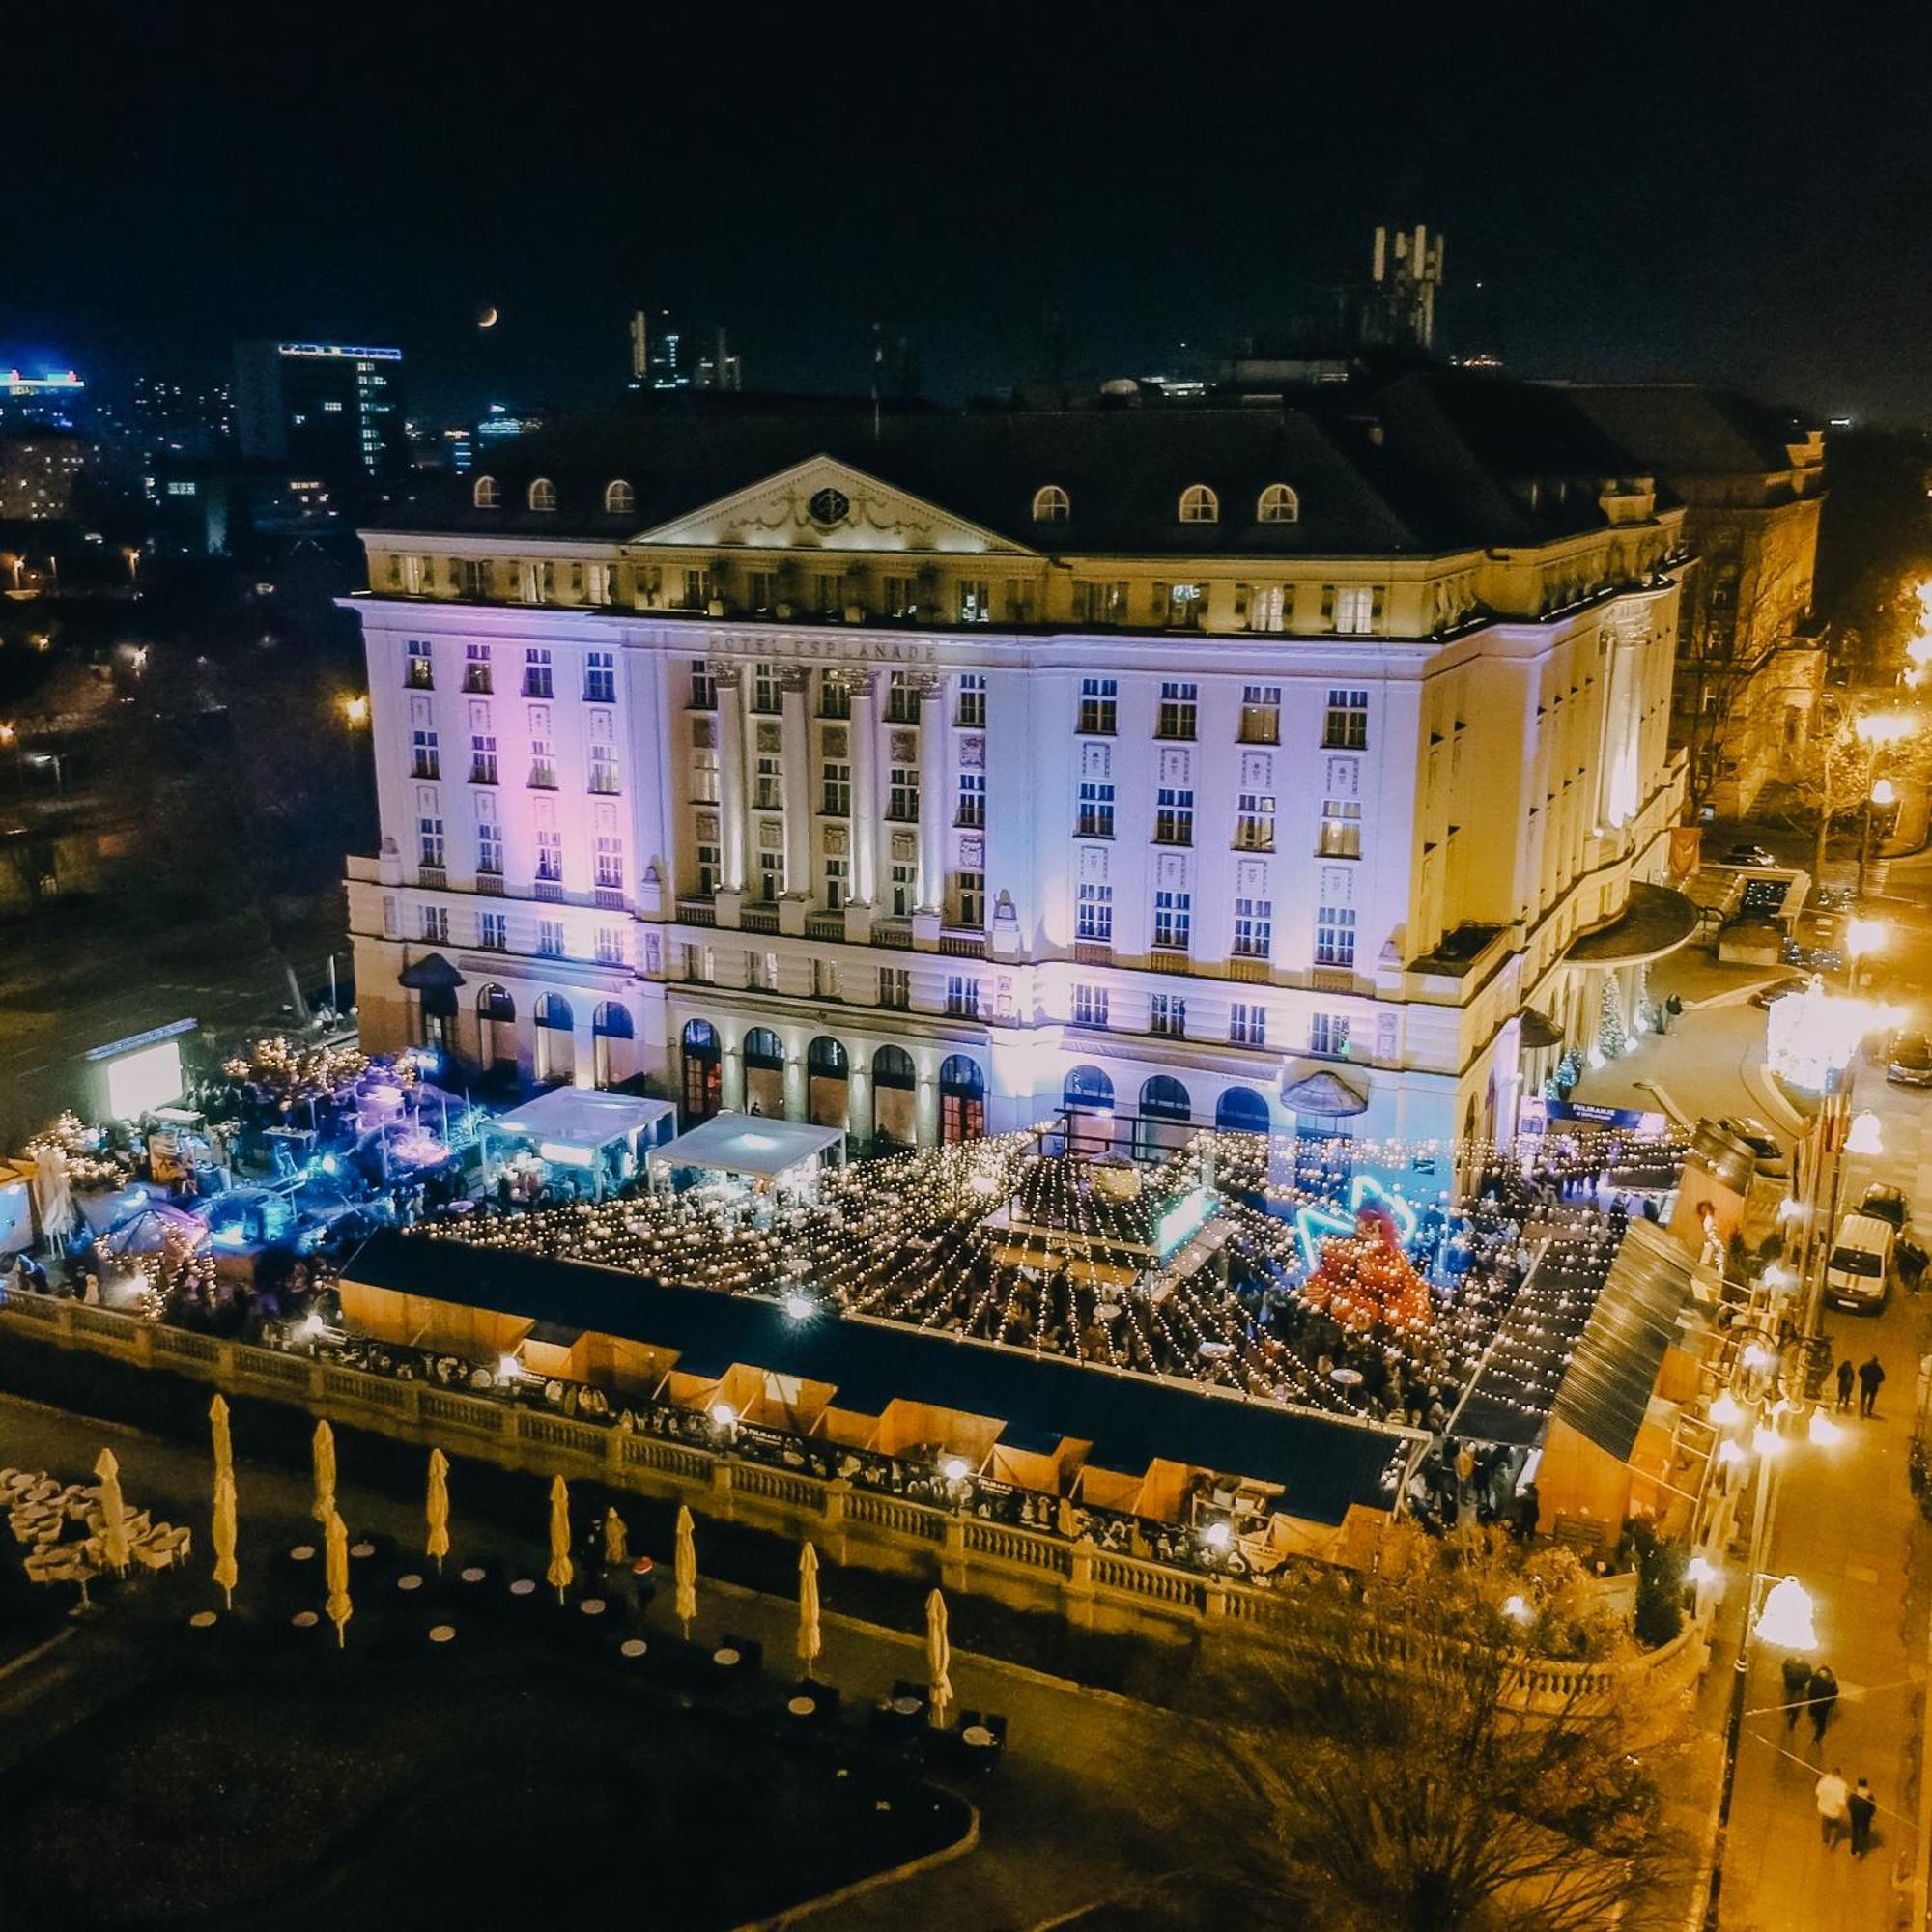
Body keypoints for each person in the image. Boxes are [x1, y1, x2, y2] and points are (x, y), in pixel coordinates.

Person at [1816, 1766, 1851, 1848]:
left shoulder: (1824, 1780)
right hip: (1834, 1811)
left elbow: (1818, 1792)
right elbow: (1841, 1801)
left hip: (1824, 1808)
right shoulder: (1842, 1784)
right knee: (1835, 1826)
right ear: (1839, 1775)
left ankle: (1825, 1842)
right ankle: (1833, 1840)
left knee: (1824, 1826)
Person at [1807, 1663, 1840, 1744]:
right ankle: (1819, 1733)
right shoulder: (1832, 1682)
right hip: (1824, 1705)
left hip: (1815, 1702)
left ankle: (1819, 1731)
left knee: (1815, 1714)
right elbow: (1834, 1693)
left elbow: (1811, 1689)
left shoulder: (1815, 1678)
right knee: (1821, 1719)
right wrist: (1831, 1704)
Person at [1782, 1652, 1813, 1734]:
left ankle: (1792, 1720)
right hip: (1789, 1685)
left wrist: (1804, 1682)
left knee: (1796, 1704)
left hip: (1799, 1687)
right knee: (1788, 1700)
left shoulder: (1806, 1666)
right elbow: (1784, 1668)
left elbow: (1809, 1675)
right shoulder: (1789, 1661)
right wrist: (1786, 1678)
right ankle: (1788, 1710)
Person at [1848, 1777, 1877, 1857]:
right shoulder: (1869, 1795)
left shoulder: (1854, 1793)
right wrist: (1870, 1815)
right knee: (1863, 1833)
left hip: (1855, 1816)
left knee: (1855, 1832)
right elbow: (1873, 1808)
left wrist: (1852, 1813)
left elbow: (1849, 1804)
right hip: (1865, 1818)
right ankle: (1859, 1850)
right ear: (1866, 1785)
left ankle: (1853, 1850)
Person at [1859, 1354, 1887, 1419]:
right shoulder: (1878, 1368)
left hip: (1865, 1384)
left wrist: (1864, 1378)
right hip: (1874, 1386)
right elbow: (1882, 1378)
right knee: (1871, 1399)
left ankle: (1862, 1411)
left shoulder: (1865, 1365)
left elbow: (1860, 1372)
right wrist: (1876, 1380)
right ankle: (1869, 1411)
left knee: (1863, 1398)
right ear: (1876, 1361)